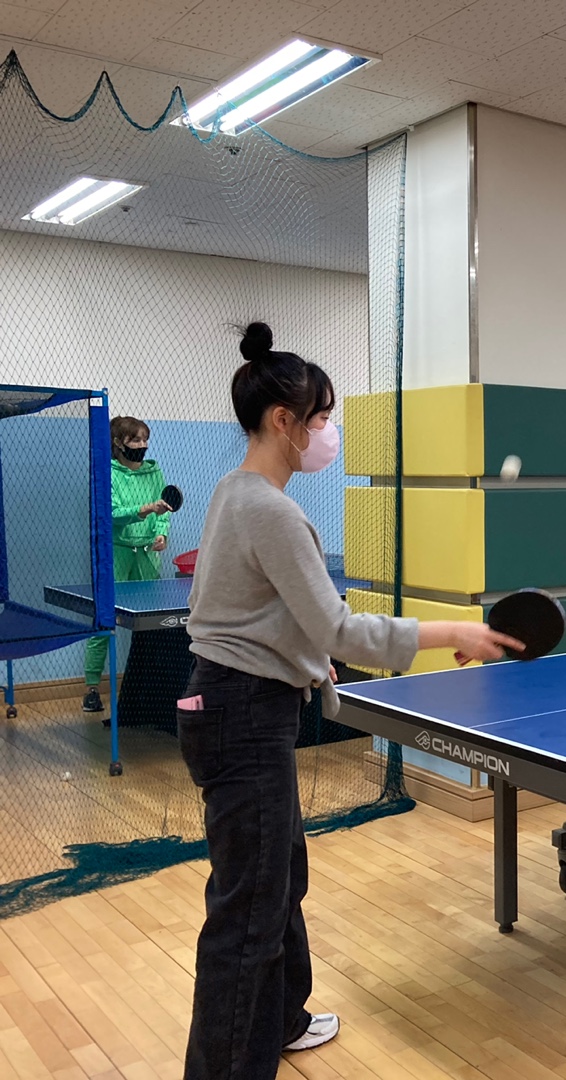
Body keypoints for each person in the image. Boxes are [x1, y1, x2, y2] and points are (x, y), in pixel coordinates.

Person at [178, 323, 522, 1079]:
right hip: (243, 714)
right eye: (324, 418)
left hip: (232, 705)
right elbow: (338, 626)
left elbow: (254, 615)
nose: (329, 433)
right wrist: (454, 629)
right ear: (284, 422)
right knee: (248, 913)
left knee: (278, 880)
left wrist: (309, 663)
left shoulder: (235, 491)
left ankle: (281, 1020)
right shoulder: (270, 510)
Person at [82, 417, 172, 712]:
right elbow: (112, 514)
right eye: (135, 440)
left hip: (147, 555)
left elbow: (164, 510)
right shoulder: (107, 472)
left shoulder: (154, 472)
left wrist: (161, 533)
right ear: (118, 443)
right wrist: (143, 510)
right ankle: (91, 688)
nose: (142, 445)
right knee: (104, 620)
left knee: (153, 624)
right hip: (117, 554)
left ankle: (150, 689)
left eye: (145, 439)